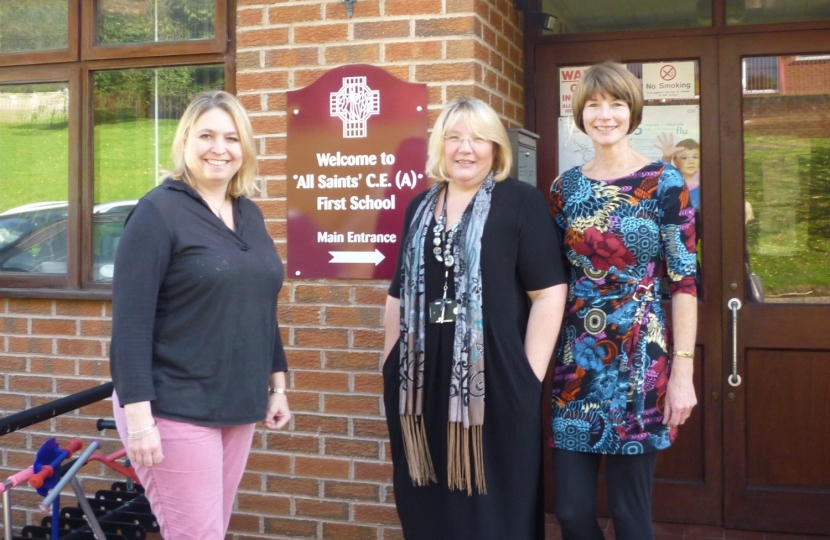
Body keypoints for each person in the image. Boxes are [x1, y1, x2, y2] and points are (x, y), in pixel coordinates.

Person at [382, 96, 568, 539]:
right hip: (421, 382)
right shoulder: (419, 208)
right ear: (439, 147)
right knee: (427, 501)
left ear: (496, 148)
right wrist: (391, 363)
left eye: (479, 139)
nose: (466, 149)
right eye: (454, 138)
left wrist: (528, 376)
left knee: (495, 507)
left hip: (497, 384)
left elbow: (548, 293)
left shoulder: (519, 202)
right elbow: (396, 297)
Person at [109, 90, 291, 540]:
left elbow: (259, 304)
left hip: (237, 404)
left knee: (211, 529)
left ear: (244, 148)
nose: (220, 148)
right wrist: (139, 422)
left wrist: (278, 384)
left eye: (231, 138)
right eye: (206, 135)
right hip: (173, 405)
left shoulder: (248, 213)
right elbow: (130, 326)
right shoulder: (158, 213)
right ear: (185, 141)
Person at [549, 61, 698, 540]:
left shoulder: (665, 183)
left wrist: (683, 373)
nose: (605, 114)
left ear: (632, 111)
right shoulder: (564, 190)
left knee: (631, 517)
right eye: (593, 104)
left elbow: (685, 283)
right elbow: (549, 282)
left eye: (615, 103)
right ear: (581, 113)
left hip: (641, 363)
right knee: (571, 512)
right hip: (577, 365)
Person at [655, 133, 700, 209]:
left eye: (695, 157)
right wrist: (667, 156)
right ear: (675, 161)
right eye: (684, 158)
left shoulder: (706, 180)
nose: (691, 161)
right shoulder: (671, 178)